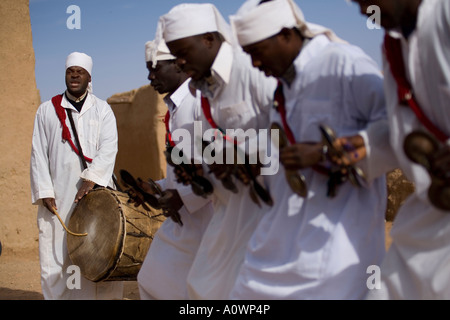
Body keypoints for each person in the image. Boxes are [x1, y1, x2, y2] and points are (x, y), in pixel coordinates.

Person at [228, 0, 391, 299]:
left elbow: (392, 128)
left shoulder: (343, 62)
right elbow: (280, 143)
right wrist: (253, 161)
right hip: (282, 228)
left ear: (286, 35)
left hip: (339, 230)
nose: (254, 65)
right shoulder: (283, 86)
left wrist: (323, 153)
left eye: (257, 53)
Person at [160, 3, 278, 299]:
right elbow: (216, 147)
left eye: (183, 51)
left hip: (272, 208)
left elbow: (289, 129)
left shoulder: (253, 69)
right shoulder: (203, 89)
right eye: (174, 55)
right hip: (231, 211)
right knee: (202, 287)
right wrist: (201, 169)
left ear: (209, 39)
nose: (180, 61)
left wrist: (244, 155)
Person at [351, 0, 450, 299]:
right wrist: (365, 144)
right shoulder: (393, 47)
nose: (363, 10)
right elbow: (405, 131)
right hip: (427, 220)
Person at [30, 52, 123, 299]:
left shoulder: (103, 110)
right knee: (56, 259)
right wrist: (44, 192)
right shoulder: (46, 111)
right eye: (70, 70)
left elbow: (109, 147)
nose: (74, 74)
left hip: (97, 196)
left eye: (79, 71)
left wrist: (91, 179)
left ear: (89, 77)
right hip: (59, 199)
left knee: (100, 254)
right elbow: (38, 153)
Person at [136, 36, 215, 300]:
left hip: (210, 217)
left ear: (179, 65)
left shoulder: (199, 103)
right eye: (148, 69)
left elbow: (218, 161)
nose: (150, 77)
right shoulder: (176, 107)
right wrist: (157, 187)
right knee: (153, 280)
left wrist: (184, 197)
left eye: (156, 68)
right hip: (186, 219)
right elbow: (184, 166)